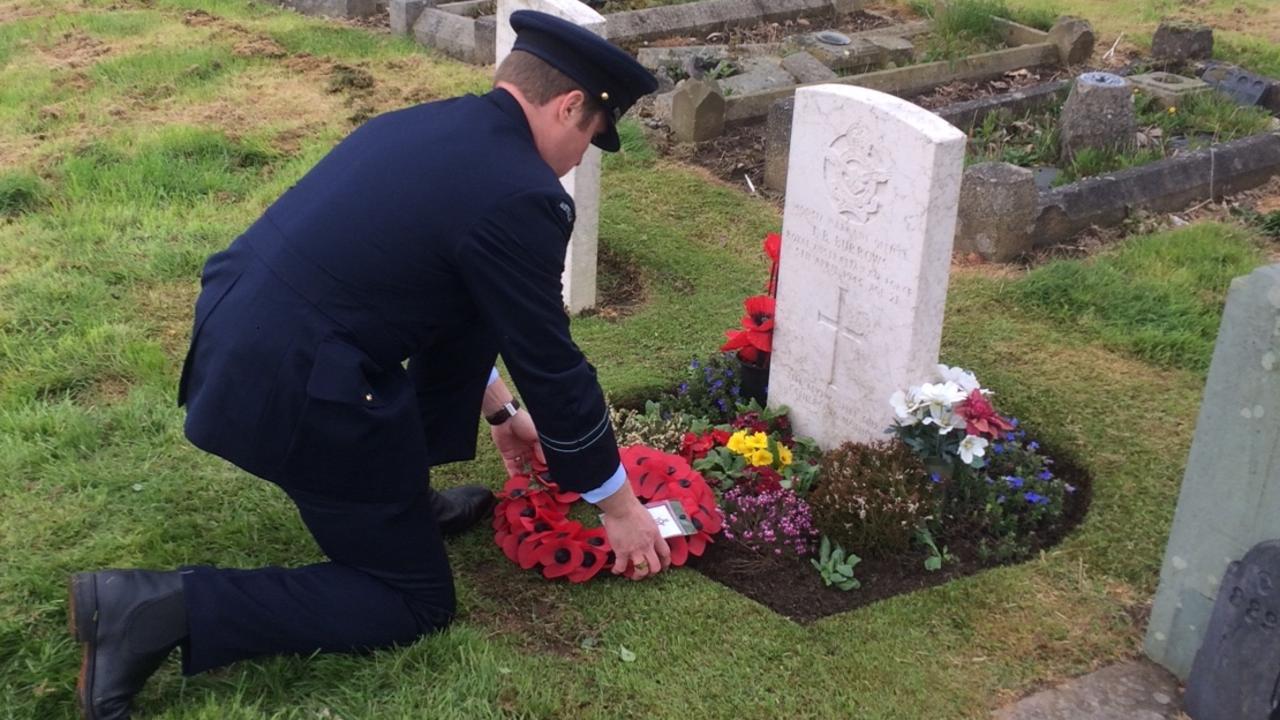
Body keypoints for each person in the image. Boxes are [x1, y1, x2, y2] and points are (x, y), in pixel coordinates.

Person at [67, 11, 668, 719]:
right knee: (411, 601)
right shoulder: (519, 192)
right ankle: (154, 607)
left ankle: (394, 502)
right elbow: (553, 364)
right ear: (570, 106)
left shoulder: (427, 126)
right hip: (296, 387)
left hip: (246, 336)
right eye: (590, 140)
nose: (579, 159)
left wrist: (501, 412)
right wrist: (619, 507)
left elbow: (447, 299)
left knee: (389, 458)